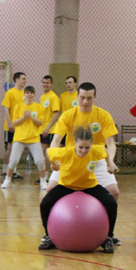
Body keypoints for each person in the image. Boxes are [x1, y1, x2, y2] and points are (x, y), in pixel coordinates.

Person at [48, 82, 121, 243]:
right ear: (77, 97)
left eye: (89, 98)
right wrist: (55, 160)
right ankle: (51, 233)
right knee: (50, 189)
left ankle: (108, 235)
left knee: (114, 192)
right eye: (82, 98)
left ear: (95, 97)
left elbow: (110, 143)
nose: (85, 101)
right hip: (71, 159)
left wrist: (110, 161)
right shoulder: (68, 115)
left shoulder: (103, 115)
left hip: (95, 159)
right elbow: (56, 141)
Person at [39, 126, 117, 254]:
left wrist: (110, 164)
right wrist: (54, 165)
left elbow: (104, 150)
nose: (83, 150)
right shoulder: (65, 153)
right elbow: (48, 151)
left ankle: (108, 238)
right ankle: (50, 237)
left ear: (91, 145)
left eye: (87, 148)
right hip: (66, 186)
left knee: (112, 204)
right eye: (80, 147)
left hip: (89, 185)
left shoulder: (95, 151)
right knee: (45, 204)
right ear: (75, 143)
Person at [1, 86, 47, 189]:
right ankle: (7, 180)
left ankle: (43, 182)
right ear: (25, 94)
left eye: (31, 93)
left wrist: (31, 117)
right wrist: (24, 117)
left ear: (34, 94)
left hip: (34, 139)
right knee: (13, 160)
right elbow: (15, 123)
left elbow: (40, 123)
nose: (29, 95)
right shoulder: (18, 106)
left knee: (40, 161)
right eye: (27, 93)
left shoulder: (38, 107)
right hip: (19, 139)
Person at [1, 72, 27, 179]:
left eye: (25, 79)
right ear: (16, 80)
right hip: (11, 126)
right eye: (23, 78)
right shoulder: (10, 93)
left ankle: (13, 171)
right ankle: (4, 170)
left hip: (21, 126)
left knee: (17, 149)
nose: (25, 81)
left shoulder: (25, 93)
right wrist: (10, 123)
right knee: (10, 148)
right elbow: (6, 109)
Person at [39, 75, 61, 175]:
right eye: (44, 82)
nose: (45, 84)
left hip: (50, 130)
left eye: (47, 83)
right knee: (43, 152)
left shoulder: (53, 97)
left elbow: (56, 114)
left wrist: (48, 128)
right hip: (41, 129)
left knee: (46, 151)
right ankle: (44, 175)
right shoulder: (42, 97)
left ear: (51, 84)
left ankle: (46, 175)